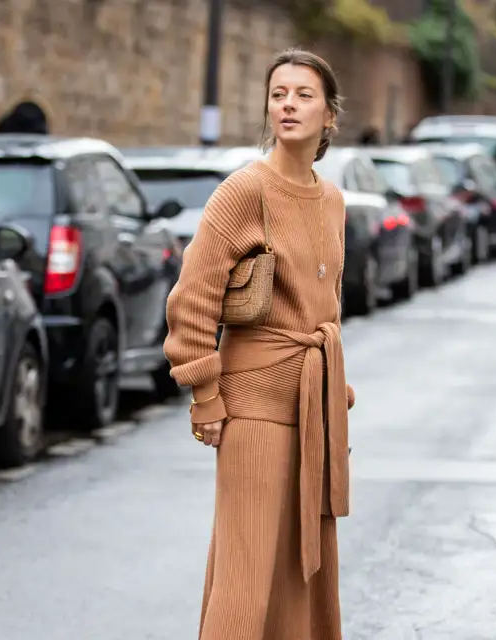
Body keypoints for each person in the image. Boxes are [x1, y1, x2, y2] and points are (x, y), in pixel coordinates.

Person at [163, 48, 355, 639]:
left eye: (303, 94)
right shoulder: (245, 191)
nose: (288, 105)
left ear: (329, 116)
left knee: (303, 569)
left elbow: (327, 305)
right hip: (251, 407)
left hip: (310, 404)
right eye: (278, 94)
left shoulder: (333, 200)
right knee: (245, 574)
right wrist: (205, 394)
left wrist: (333, 385)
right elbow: (192, 297)